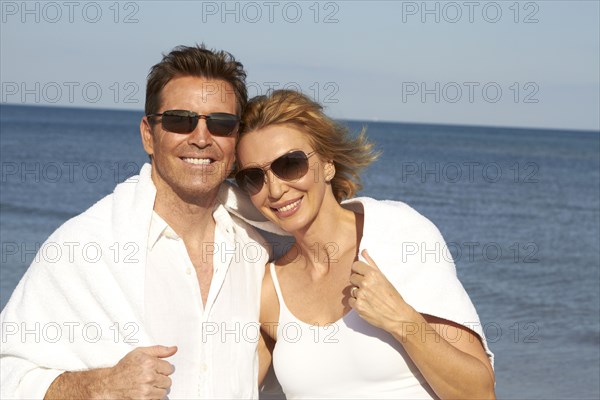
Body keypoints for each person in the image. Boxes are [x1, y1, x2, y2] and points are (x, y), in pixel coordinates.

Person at [0, 44, 272, 399]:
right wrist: (102, 386)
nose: (202, 138)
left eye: (221, 124)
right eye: (180, 120)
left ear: (236, 140)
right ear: (148, 134)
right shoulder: (84, 247)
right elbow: (7, 374)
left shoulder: (259, 245)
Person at [235, 90, 496, 399]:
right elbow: (230, 387)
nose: (275, 189)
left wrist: (403, 320)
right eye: (254, 177)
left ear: (328, 163)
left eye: (290, 164)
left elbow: (479, 392)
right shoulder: (268, 291)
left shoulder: (399, 235)